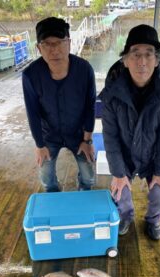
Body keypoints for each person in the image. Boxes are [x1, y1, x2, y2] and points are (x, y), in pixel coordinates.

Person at [100, 24, 160, 240]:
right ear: (125, 60)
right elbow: (110, 135)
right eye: (135, 54)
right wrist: (118, 172)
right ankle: (125, 217)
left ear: (157, 60)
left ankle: (154, 220)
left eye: (148, 54)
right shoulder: (112, 90)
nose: (142, 61)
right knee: (120, 193)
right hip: (125, 153)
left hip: (153, 153)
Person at [22, 17, 96, 192]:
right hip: (49, 135)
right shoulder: (30, 75)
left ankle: (83, 197)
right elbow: (32, 113)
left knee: (89, 177)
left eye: (59, 42)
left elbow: (90, 106)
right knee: (46, 179)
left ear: (69, 43)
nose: (54, 49)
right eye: (47, 44)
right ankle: (54, 199)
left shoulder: (85, 70)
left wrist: (87, 140)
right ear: (38, 48)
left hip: (78, 134)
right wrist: (40, 146)